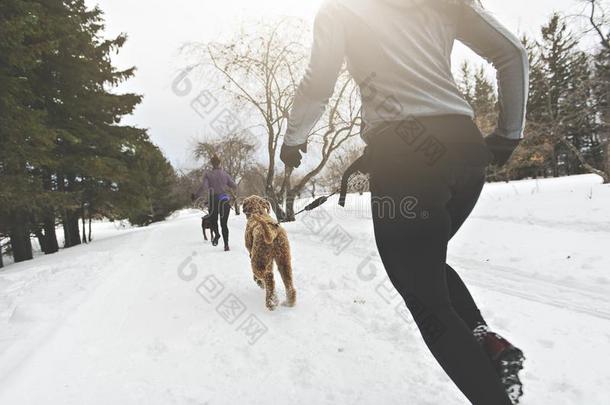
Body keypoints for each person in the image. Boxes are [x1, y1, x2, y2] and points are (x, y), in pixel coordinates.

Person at [280, 0, 528, 404]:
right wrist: (509, 133)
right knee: (425, 264)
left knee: (425, 298)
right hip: (464, 152)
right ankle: (488, 345)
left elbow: (318, 82)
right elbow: (512, 54)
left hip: (407, 159)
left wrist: (294, 139)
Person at [194, 155, 237, 251]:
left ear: (211, 164)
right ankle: (226, 245)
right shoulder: (225, 174)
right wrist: (225, 185)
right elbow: (234, 185)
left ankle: (216, 234)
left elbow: (204, 187)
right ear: (219, 163)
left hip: (214, 200)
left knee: (213, 220)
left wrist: (196, 195)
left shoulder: (208, 174)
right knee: (224, 224)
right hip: (225, 200)